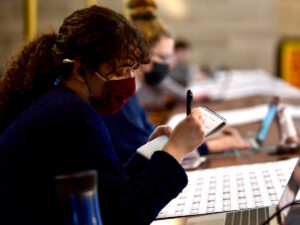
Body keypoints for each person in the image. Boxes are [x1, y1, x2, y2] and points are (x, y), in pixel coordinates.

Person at [0, 6, 206, 225]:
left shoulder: (59, 100)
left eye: (132, 69)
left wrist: (150, 152)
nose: (129, 80)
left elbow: (108, 191)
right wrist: (176, 150)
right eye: (119, 72)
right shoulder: (73, 114)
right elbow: (124, 216)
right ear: (80, 71)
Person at [102, 0, 251, 164]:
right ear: (139, 53)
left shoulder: (131, 94)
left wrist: (198, 138)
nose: (169, 65)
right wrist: (214, 145)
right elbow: (143, 152)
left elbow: (149, 137)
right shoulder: (118, 98)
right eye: (163, 58)